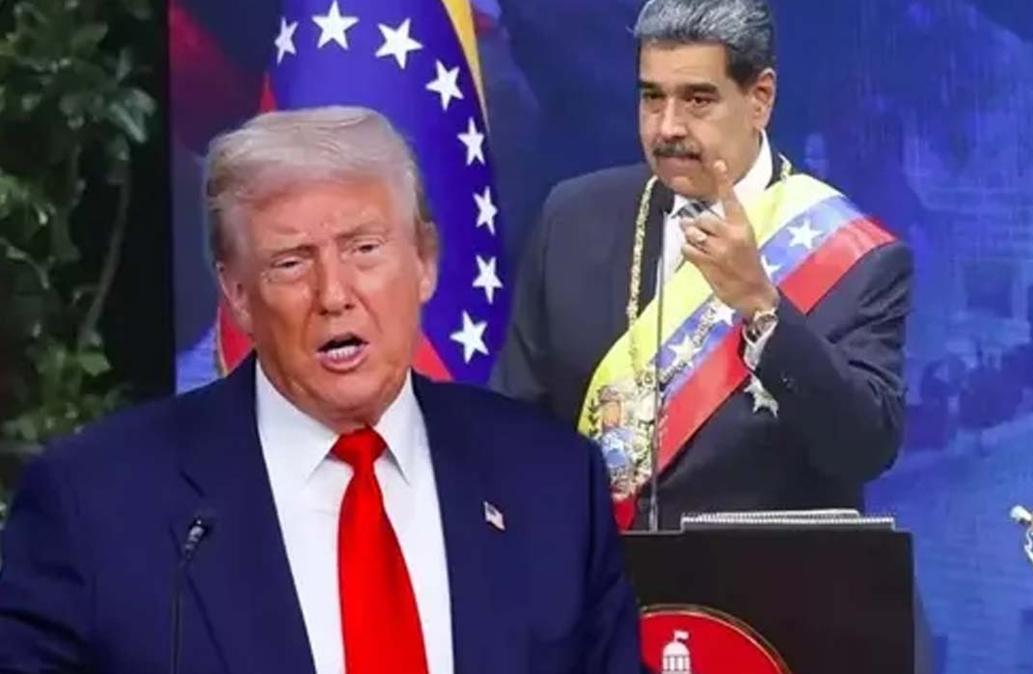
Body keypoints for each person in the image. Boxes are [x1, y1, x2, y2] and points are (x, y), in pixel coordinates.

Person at [0, 107, 641, 674]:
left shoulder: (550, 483)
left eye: (364, 249)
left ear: (425, 262)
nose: (334, 295)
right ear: (238, 295)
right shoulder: (97, 506)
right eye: (291, 262)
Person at [492, 0, 914, 529]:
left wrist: (763, 308)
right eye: (652, 97)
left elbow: (864, 448)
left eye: (697, 100)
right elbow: (512, 426)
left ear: (760, 98)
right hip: (597, 573)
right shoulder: (572, 219)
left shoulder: (855, 258)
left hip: (760, 580)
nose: (668, 127)